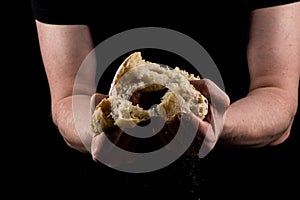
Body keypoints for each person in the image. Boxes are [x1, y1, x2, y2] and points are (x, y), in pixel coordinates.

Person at [31, 0, 299, 199]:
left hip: (242, 184)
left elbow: (276, 92)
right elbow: (68, 96)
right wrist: (98, 127)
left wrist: (219, 124)